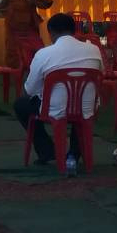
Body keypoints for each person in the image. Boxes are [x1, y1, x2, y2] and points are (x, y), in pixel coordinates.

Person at [15, 13, 104, 167]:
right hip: (87, 108)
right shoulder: (94, 50)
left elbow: (29, 90)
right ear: (74, 29)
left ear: (50, 32)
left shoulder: (43, 54)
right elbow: (100, 73)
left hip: (54, 109)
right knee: (80, 105)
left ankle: (47, 150)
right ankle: (75, 153)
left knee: (21, 105)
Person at [1, 0, 53, 65]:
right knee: (12, 49)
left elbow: (48, 3)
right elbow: (3, 4)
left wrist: (33, 1)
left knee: (35, 48)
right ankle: (14, 75)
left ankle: (36, 69)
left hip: (29, 23)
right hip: (13, 22)